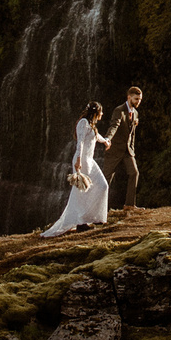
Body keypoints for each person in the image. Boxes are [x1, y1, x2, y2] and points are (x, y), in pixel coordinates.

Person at [39, 102, 111, 238]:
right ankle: (81, 223)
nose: (102, 114)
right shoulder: (83, 123)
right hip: (82, 161)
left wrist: (106, 141)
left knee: (102, 186)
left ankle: (93, 217)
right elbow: (81, 142)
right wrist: (78, 160)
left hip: (90, 161)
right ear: (96, 113)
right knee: (81, 193)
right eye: (101, 112)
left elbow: (96, 137)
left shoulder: (91, 125)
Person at [101, 85, 144, 214]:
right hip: (114, 149)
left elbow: (133, 134)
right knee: (105, 179)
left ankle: (129, 204)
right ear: (129, 97)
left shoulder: (135, 113)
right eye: (136, 99)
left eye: (140, 99)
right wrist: (107, 139)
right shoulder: (119, 110)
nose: (138, 102)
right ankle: (97, 208)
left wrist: (132, 149)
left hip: (128, 151)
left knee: (134, 173)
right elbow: (114, 125)